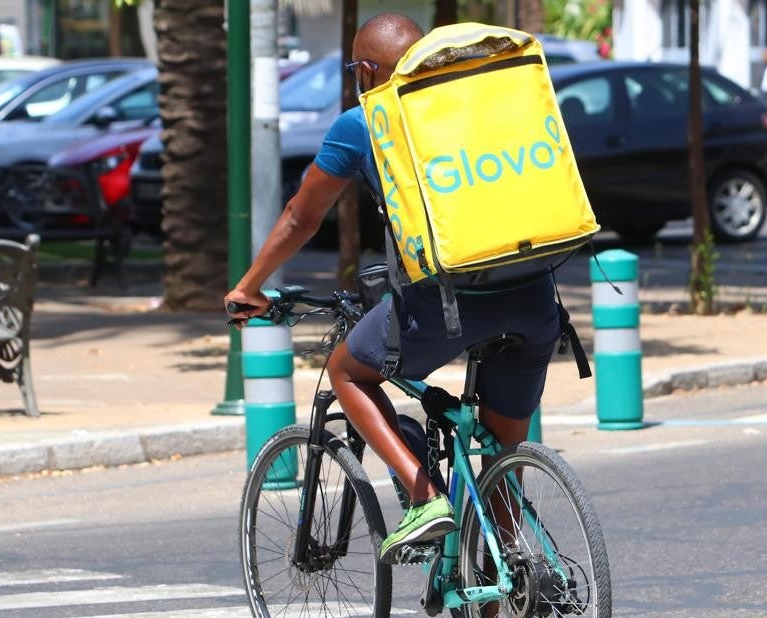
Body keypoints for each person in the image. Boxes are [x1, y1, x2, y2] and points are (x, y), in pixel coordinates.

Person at [225, 13, 560, 566]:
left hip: (446, 307)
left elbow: (299, 219)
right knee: (502, 461)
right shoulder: (482, 107)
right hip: (534, 298)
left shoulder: (364, 124)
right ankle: (505, 603)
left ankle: (424, 498)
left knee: (346, 369)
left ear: (367, 72)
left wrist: (251, 286)